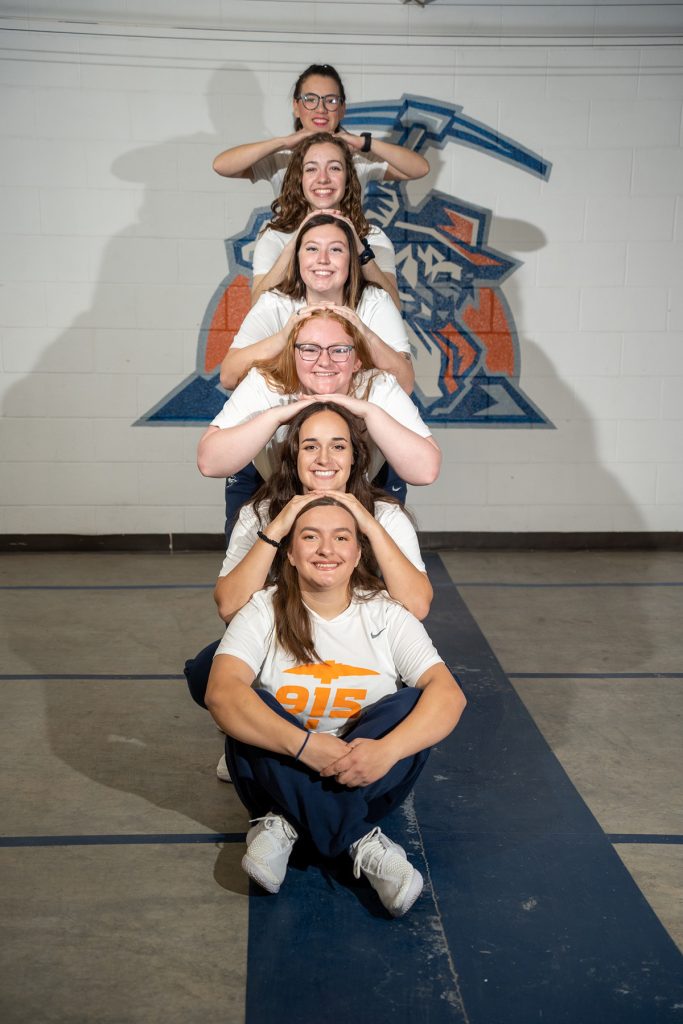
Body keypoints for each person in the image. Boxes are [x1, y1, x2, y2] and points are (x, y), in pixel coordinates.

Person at [205, 497, 466, 917]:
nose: (327, 549)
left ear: (358, 552)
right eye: (310, 537)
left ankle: (284, 823)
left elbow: (449, 695)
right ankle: (360, 839)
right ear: (289, 553)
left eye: (341, 537)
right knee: (251, 707)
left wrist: (387, 750)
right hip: (285, 761)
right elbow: (220, 691)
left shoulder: (386, 613)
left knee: (412, 704)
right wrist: (305, 745)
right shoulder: (262, 608)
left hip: (364, 766)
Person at [184, 402, 433, 721]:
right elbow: (230, 607)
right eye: (310, 446)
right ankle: (252, 729)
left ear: (354, 457)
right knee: (207, 673)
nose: (324, 459)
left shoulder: (385, 515)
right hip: (288, 635)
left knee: (418, 690)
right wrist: (279, 525)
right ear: (293, 457)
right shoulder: (260, 514)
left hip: (357, 640)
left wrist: (368, 524)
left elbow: (417, 606)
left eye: (338, 446)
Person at [197, 308, 440, 531]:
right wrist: (275, 416)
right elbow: (210, 462)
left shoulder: (378, 386)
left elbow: (425, 472)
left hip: (356, 494)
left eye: (339, 350)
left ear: (357, 361)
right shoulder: (265, 384)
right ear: (292, 356)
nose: (324, 361)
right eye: (310, 349)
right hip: (278, 492)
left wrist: (370, 413)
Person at [220, 212, 414, 394]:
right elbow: (229, 377)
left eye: (336, 250)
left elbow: (406, 384)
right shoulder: (274, 302)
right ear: (297, 257)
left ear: (351, 259)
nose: (323, 259)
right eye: (312, 249)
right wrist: (283, 338)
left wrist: (365, 334)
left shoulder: (375, 300)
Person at [212, 63, 429, 198]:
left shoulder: (358, 157)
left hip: (340, 265)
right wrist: (283, 142)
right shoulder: (280, 157)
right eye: (310, 99)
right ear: (296, 107)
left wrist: (364, 143)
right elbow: (222, 166)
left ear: (342, 109)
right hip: (293, 265)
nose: (321, 109)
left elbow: (419, 169)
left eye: (331, 100)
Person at [250, 132, 400, 307]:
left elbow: (394, 307)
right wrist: (294, 244)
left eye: (334, 168)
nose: (323, 179)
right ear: (300, 179)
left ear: (347, 179)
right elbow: (256, 308)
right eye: (311, 169)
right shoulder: (274, 238)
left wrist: (361, 253)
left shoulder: (373, 238)